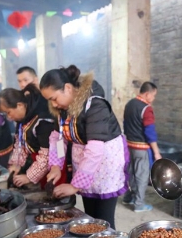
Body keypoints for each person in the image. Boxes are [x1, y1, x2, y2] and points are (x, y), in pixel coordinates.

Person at [40, 65, 127, 229]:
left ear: (67, 88)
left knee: (104, 221)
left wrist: (75, 186)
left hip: (105, 166)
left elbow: (94, 151)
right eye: (49, 100)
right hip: (85, 167)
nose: (53, 104)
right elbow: (59, 139)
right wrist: (56, 166)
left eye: (54, 98)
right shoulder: (64, 110)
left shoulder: (96, 106)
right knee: (90, 217)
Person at [0, 84, 57, 188]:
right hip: (39, 164)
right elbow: (19, 144)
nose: (9, 117)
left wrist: (29, 177)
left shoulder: (42, 121)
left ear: (20, 105)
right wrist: (16, 165)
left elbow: (46, 155)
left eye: (9, 112)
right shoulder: (22, 120)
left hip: (54, 166)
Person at [122, 81, 162, 212]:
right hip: (141, 148)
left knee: (132, 172)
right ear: (147, 93)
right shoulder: (146, 108)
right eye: (153, 95)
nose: (154, 99)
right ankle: (139, 204)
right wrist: (156, 152)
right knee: (142, 175)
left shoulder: (130, 104)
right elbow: (149, 132)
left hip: (129, 145)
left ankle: (129, 197)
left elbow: (125, 124)